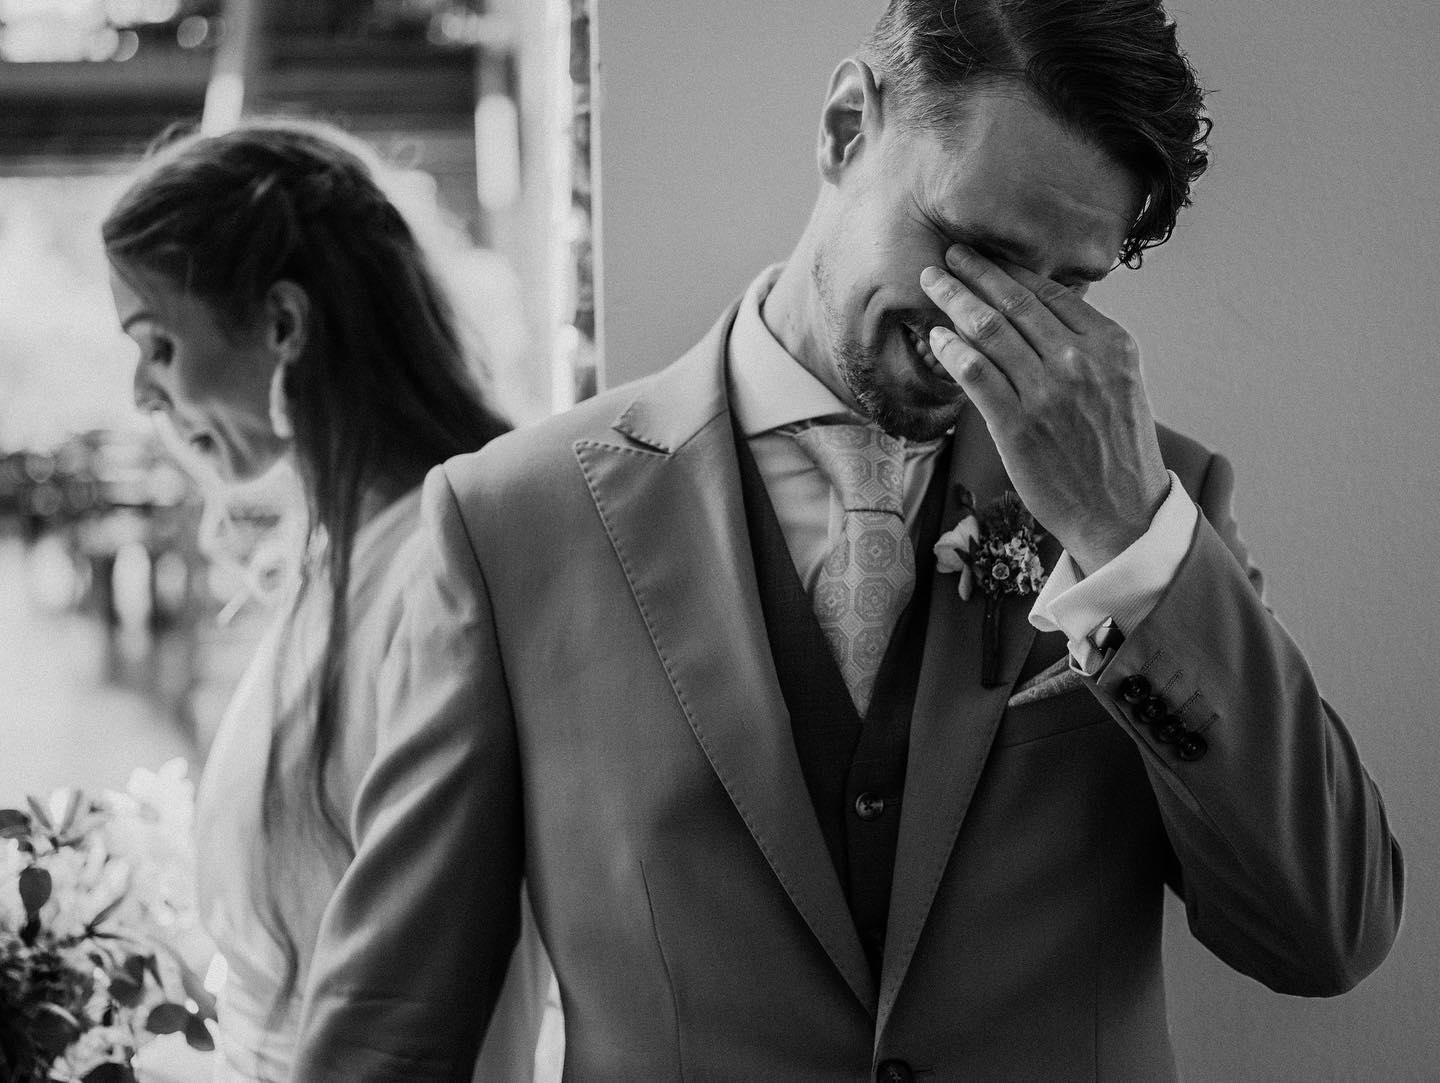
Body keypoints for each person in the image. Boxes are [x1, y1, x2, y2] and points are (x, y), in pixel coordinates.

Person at [296, 1, 1404, 1078]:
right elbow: (392, 1032)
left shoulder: (1159, 506)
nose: (993, 322)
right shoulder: (512, 522)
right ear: (844, 129)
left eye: (1065, 286)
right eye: (972, 246)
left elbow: (1327, 934)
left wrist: (1128, 541)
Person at [103, 119, 555, 1082]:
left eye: (159, 344)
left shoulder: (435, 575)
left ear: (283, 325)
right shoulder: (338, 561)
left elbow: (406, 1009)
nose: (143, 393)